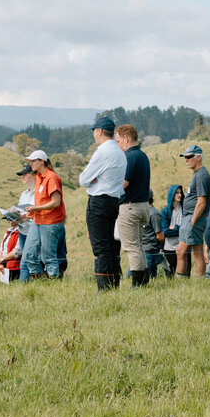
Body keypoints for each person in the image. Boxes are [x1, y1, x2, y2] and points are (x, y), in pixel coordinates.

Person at [79, 116, 127, 290]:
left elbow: (83, 179)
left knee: (100, 247)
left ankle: (104, 287)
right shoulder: (120, 152)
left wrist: (94, 179)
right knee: (111, 245)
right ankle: (114, 283)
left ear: (99, 131)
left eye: (94, 131)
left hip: (98, 201)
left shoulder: (102, 152)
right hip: (114, 200)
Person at [115, 124, 153, 287]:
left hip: (130, 207)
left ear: (126, 138)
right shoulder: (143, 156)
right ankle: (144, 278)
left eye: (118, 141)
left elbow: (124, 183)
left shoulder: (129, 157)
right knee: (138, 245)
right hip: (143, 205)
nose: (117, 145)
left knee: (131, 247)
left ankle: (138, 283)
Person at [177, 144, 210, 278]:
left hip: (194, 217)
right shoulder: (198, 174)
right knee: (196, 251)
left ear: (198, 157)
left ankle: (182, 280)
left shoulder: (201, 175)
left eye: (189, 156)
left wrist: (192, 221)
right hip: (192, 217)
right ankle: (198, 281)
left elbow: (201, 202)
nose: (186, 159)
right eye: (185, 157)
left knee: (182, 251)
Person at [159, 185, 183, 278]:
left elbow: (188, 228)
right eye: (177, 193)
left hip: (183, 245)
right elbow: (165, 231)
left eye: (180, 192)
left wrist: (174, 228)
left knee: (184, 274)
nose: (179, 195)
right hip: (169, 247)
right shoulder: (165, 211)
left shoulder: (185, 210)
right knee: (169, 275)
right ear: (172, 194)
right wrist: (180, 228)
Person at [0, 209, 23, 282]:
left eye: (10, 219)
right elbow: (1, 248)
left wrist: (1, 260)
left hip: (16, 267)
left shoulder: (22, 232)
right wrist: (0, 261)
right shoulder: (9, 231)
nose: (8, 221)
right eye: (7, 219)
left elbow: (17, 252)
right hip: (6, 265)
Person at [143, 192, 164, 280]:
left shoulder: (154, 214)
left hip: (150, 252)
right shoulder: (142, 212)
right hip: (140, 251)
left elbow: (160, 236)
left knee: (150, 279)